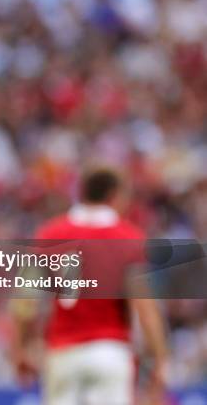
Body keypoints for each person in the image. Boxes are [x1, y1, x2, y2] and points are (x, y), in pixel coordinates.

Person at [11, 166, 168, 405]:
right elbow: (145, 308)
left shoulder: (49, 233)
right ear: (114, 195)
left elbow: (25, 300)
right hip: (110, 351)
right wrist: (158, 359)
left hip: (62, 351)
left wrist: (20, 348)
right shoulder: (128, 237)